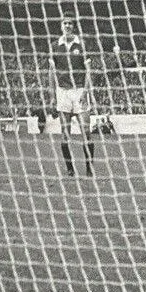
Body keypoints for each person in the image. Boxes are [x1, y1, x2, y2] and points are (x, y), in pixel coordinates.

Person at [48, 15, 95, 177]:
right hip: (62, 92)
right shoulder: (55, 45)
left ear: (73, 26)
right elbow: (52, 73)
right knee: (65, 133)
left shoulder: (81, 45)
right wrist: (52, 95)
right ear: (61, 26)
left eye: (70, 23)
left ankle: (89, 169)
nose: (67, 26)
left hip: (79, 90)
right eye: (65, 23)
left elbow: (89, 70)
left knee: (86, 131)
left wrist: (86, 91)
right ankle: (70, 170)